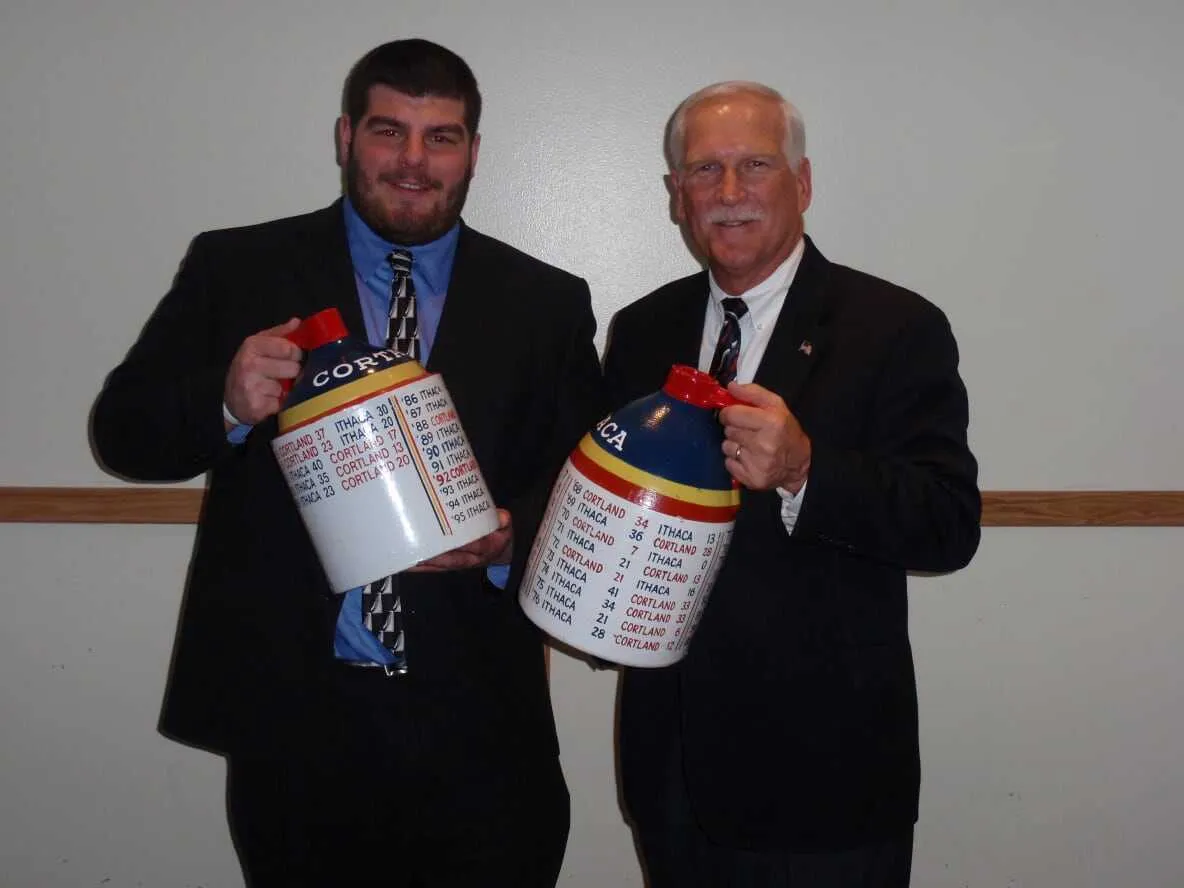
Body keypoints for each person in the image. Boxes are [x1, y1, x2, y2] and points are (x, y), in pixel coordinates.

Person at [91, 38, 603, 887]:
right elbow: (122, 433)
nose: (412, 160)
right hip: (296, 729)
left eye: (441, 136)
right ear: (344, 137)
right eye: (387, 131)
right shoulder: (238, 267)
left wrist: (510, 539)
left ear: (473, 151)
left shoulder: (545, 301)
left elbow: (576, 489)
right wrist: (223, 401)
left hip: (482, 732)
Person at [605, 81, 981, 887]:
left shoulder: (895, 327)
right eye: (705, 171)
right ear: (677, 197)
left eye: (756, 166)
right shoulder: (640, 332)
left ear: (802, 184)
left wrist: (808, 470)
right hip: (672, 770)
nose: (730, 193)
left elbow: (949, 526)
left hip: (828, 779)